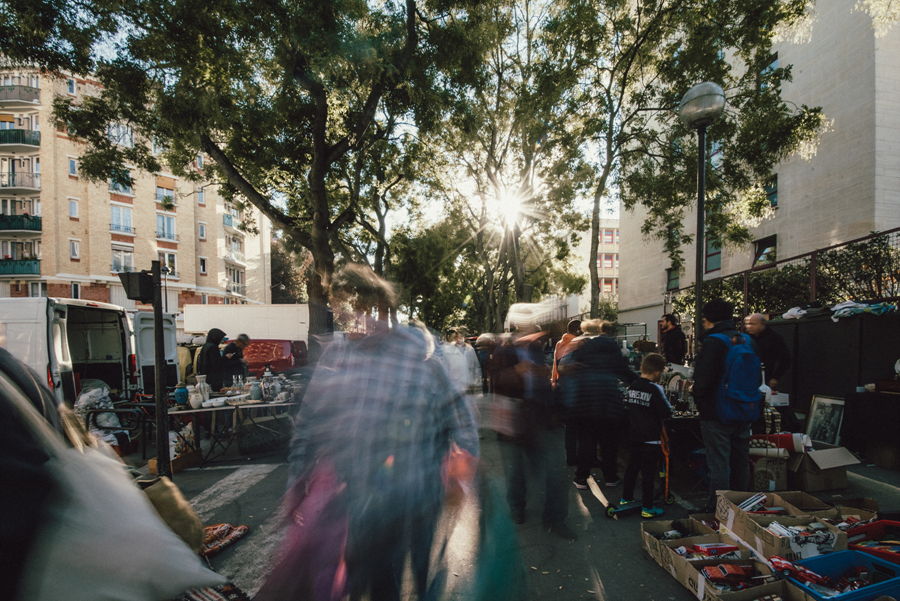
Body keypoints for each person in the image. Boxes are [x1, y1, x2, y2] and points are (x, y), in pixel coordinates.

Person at [284, 265, 479, 601]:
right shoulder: (336, 357)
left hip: (419, 501)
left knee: (424, 578)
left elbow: (459, 416)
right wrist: (297, 480)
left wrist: (463, 468)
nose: (346, 320)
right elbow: (308, 424)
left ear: (379, 306)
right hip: (362, 502)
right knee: (371, 582)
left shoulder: (423, 353)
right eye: (340, 310)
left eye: (353, 309)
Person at [493, 329, 577, 541]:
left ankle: (555, 519)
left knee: (556, 469)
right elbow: (495, 381)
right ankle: (517, 507)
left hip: (539, 415)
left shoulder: (536, 349)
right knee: (516, 469)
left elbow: (544, 379)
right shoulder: (504, 349)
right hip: (514, 415)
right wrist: (516, 372)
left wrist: (547, 380)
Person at [691, 299, 757, 511]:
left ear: (709, 319)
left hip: (717, 411)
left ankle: (718, 509)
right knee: (740, 461)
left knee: (719, 463)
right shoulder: (746, 340)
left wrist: (698, 399)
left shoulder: (714, 341)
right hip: (744, 408)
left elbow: (703, 380)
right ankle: (742, 506)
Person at [559, 319, 638, 490]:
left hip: (585, 400)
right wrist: (643, 383)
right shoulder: (613, 348)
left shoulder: (584, 347)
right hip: (608, 400)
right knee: (609, 442)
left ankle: (581, 478)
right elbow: (625, 372)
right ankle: (610, 477)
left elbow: (567, 367)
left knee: (587, 441)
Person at [622, 353, 672, 519]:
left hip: (634, 434)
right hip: (651, 437)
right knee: (648, 473)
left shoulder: (633, 386)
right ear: (657, 372)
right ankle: (648, 507)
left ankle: (626, 497)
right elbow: (667, 411)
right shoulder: (655, 389)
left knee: (632, 467)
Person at [552, 319, 581, 466]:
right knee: (579, 427)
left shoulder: (559, 343)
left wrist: (555, 382)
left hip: (562, 385)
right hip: (575, 388)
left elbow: (556, 366)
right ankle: (580, 457)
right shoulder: (577, 344)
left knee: (569, 427)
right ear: (577, 330)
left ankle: (570, 457)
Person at [744, 314, 791, 392]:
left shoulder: (774, 338)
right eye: (747, 323)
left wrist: (775, 377)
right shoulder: (746, 338)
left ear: (762, 324)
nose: (749, 326)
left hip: (766, 379)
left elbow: (785, 359)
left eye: (753, 324)